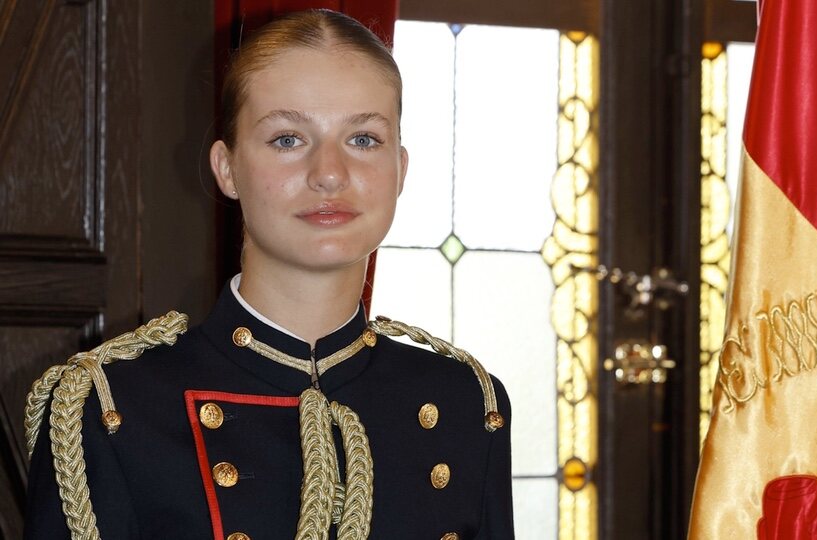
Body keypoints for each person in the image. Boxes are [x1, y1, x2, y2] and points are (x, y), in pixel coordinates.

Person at [24, 9, 513, 540]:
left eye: (364, 139)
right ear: (227, 168)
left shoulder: (466, 402)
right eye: (287, 138)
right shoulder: (109, 408)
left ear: (401, 169)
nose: (329, 173)